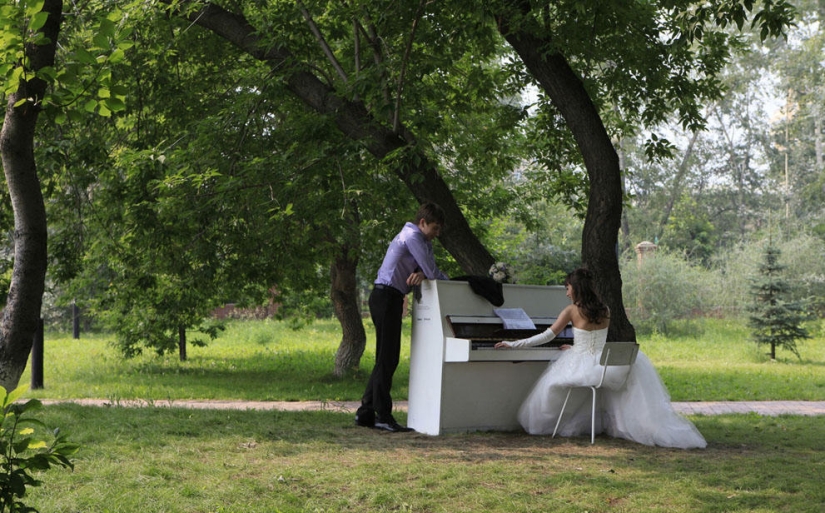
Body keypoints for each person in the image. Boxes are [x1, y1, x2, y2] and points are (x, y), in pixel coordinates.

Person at [495, 268, 706, 449]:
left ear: (576, 288)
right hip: (606, 365)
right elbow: (594, 339)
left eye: (568, 288)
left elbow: (547, 336)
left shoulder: (571, 310)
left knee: (550, 385)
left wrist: (514, 344)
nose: (567, 293)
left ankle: (546, 424)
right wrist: (575, 347)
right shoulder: (605, 309)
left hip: (584, 366)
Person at [355, 202, 450, 432]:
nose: (437, 234)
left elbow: (427, 269)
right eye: (435, 228)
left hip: (390, 297)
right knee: (388, 358)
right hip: (386, 297)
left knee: (385, 357)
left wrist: (421, 273)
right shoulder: (413, 237)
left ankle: (366, 412)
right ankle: (382, 416)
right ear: (423, 222)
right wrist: (443, 279)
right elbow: (432, 271)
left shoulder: (421, 240)